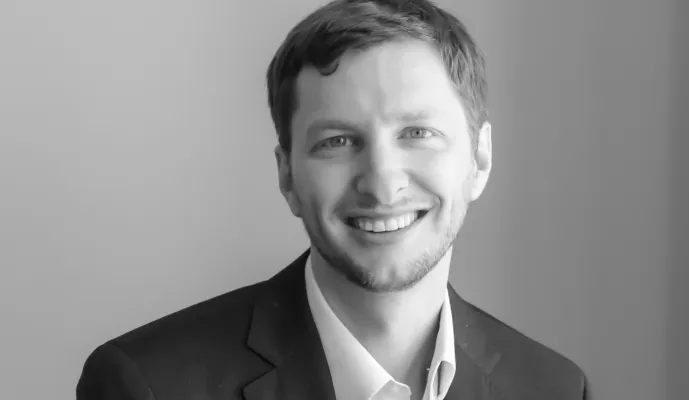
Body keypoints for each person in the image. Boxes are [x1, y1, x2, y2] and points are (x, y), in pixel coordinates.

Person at [77, 0, 586, 399]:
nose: (382, 184)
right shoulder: (146, 385)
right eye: (337, 141)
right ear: (287, 176)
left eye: (417, 133)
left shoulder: (556, 389)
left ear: (479, 159)